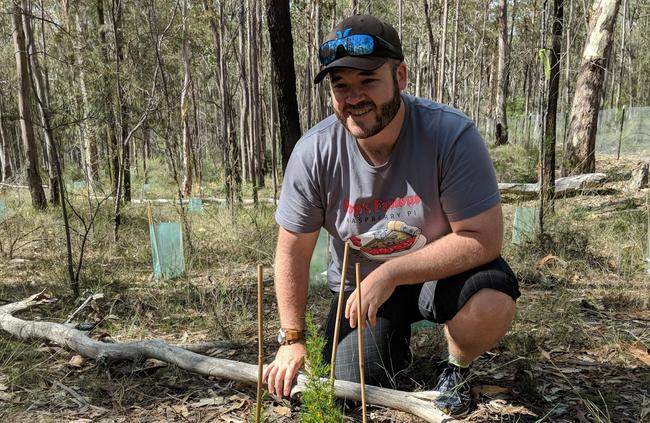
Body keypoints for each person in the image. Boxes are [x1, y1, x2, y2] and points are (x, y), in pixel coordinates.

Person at [262, 14, 520, 417]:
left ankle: (456, 367)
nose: (354, 97)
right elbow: (291, 250)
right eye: (340, 86)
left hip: (441, 274)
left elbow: (483, 237)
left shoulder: (450, 135)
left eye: (368, 81)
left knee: (491, 299)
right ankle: (391, 345)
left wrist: (391, 272)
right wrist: (291, 338)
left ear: (400, 76)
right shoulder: (314, 153)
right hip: (360, 290)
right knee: (347, 390)